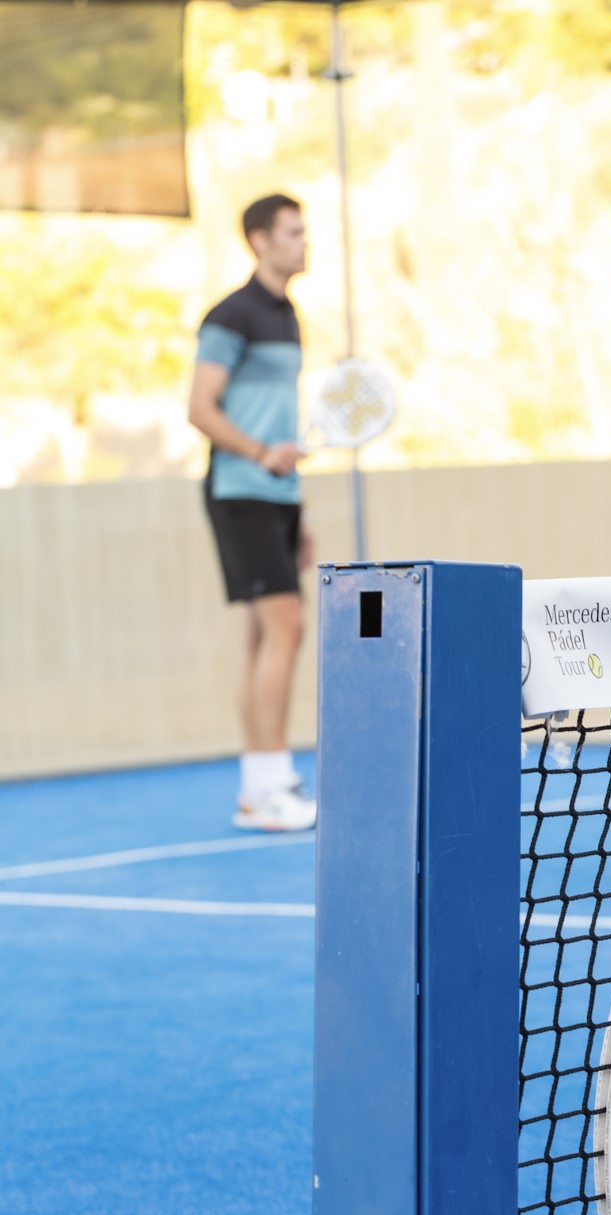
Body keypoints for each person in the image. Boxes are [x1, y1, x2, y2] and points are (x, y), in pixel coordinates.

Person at [189, 193, 316, 833]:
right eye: (292, 232)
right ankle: (270, 784)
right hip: (240, 492)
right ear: (260, 240)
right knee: (286, 628)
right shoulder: (231, 315)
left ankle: (257, 787)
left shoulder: (288, 316)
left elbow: (278, 418)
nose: (304, 242)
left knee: (267, 635)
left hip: (278, 499)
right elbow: (200, 409)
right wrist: (261, 454)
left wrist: (300, 512)